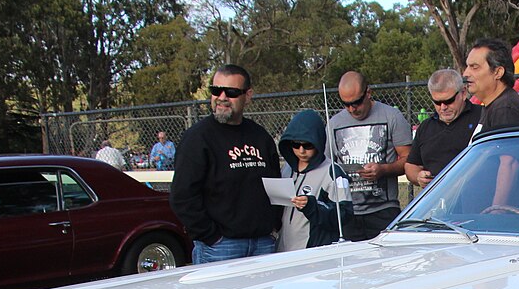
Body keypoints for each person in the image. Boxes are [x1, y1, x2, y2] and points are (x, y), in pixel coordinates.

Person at [170, 64, 281, 264]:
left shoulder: (260, 137)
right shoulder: (197, 138)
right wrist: (211, 236)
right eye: (215, 90)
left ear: (248, 95)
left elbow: (275, 185)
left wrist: (273, 226)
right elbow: (182, 196)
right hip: (220, 247)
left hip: (263, 244)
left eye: (230, 92)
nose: (221, 97)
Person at [325, 71, 412, 241]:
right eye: (346, 104)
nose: (352, 109)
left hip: (383, 209)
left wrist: (383, 170)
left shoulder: (391, 116)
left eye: (356, 102)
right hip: (348, 211)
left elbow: (409, 160)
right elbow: (326, 166)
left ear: (368, 93)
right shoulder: (334, 124)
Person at [464, 38, 519, 211]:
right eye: (467, 66)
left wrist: (496, 209)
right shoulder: (492, 106)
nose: (465, 73)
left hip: (495, 221)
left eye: (475, 67)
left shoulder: (505, 108)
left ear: (498, 72)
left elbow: (509, 163)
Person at [276, 109, 347, 251]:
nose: (301, 150)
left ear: (318, 143)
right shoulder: (287, 169)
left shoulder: (333, 172)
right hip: (283, 251)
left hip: (313, 253)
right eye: (296, 145)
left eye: (307, 145)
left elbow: (344, 215)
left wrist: (312, 206)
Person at [405, 68, 480, 189]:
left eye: (449, 101)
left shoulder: (482, 118)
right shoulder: (426, 127)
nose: (443, 107)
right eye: (437, 102)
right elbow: (411, 165)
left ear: (463, 93)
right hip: (438, 201)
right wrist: (418, 176)